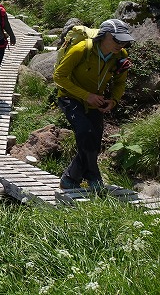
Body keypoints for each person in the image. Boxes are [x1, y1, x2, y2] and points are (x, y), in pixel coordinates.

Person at [53, 19, 133, 194]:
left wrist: (113, 100)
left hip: (95, 101)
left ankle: (69, 179)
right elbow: (59, 76)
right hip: (70, 97)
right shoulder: (81, 49)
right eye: (116, 39)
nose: (120, 44)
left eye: (123, 41)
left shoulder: (120, 55)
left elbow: (120, 82)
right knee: (85, 133)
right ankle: (94, 177)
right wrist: (86, 96)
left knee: (94, 143)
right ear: (104, 36)